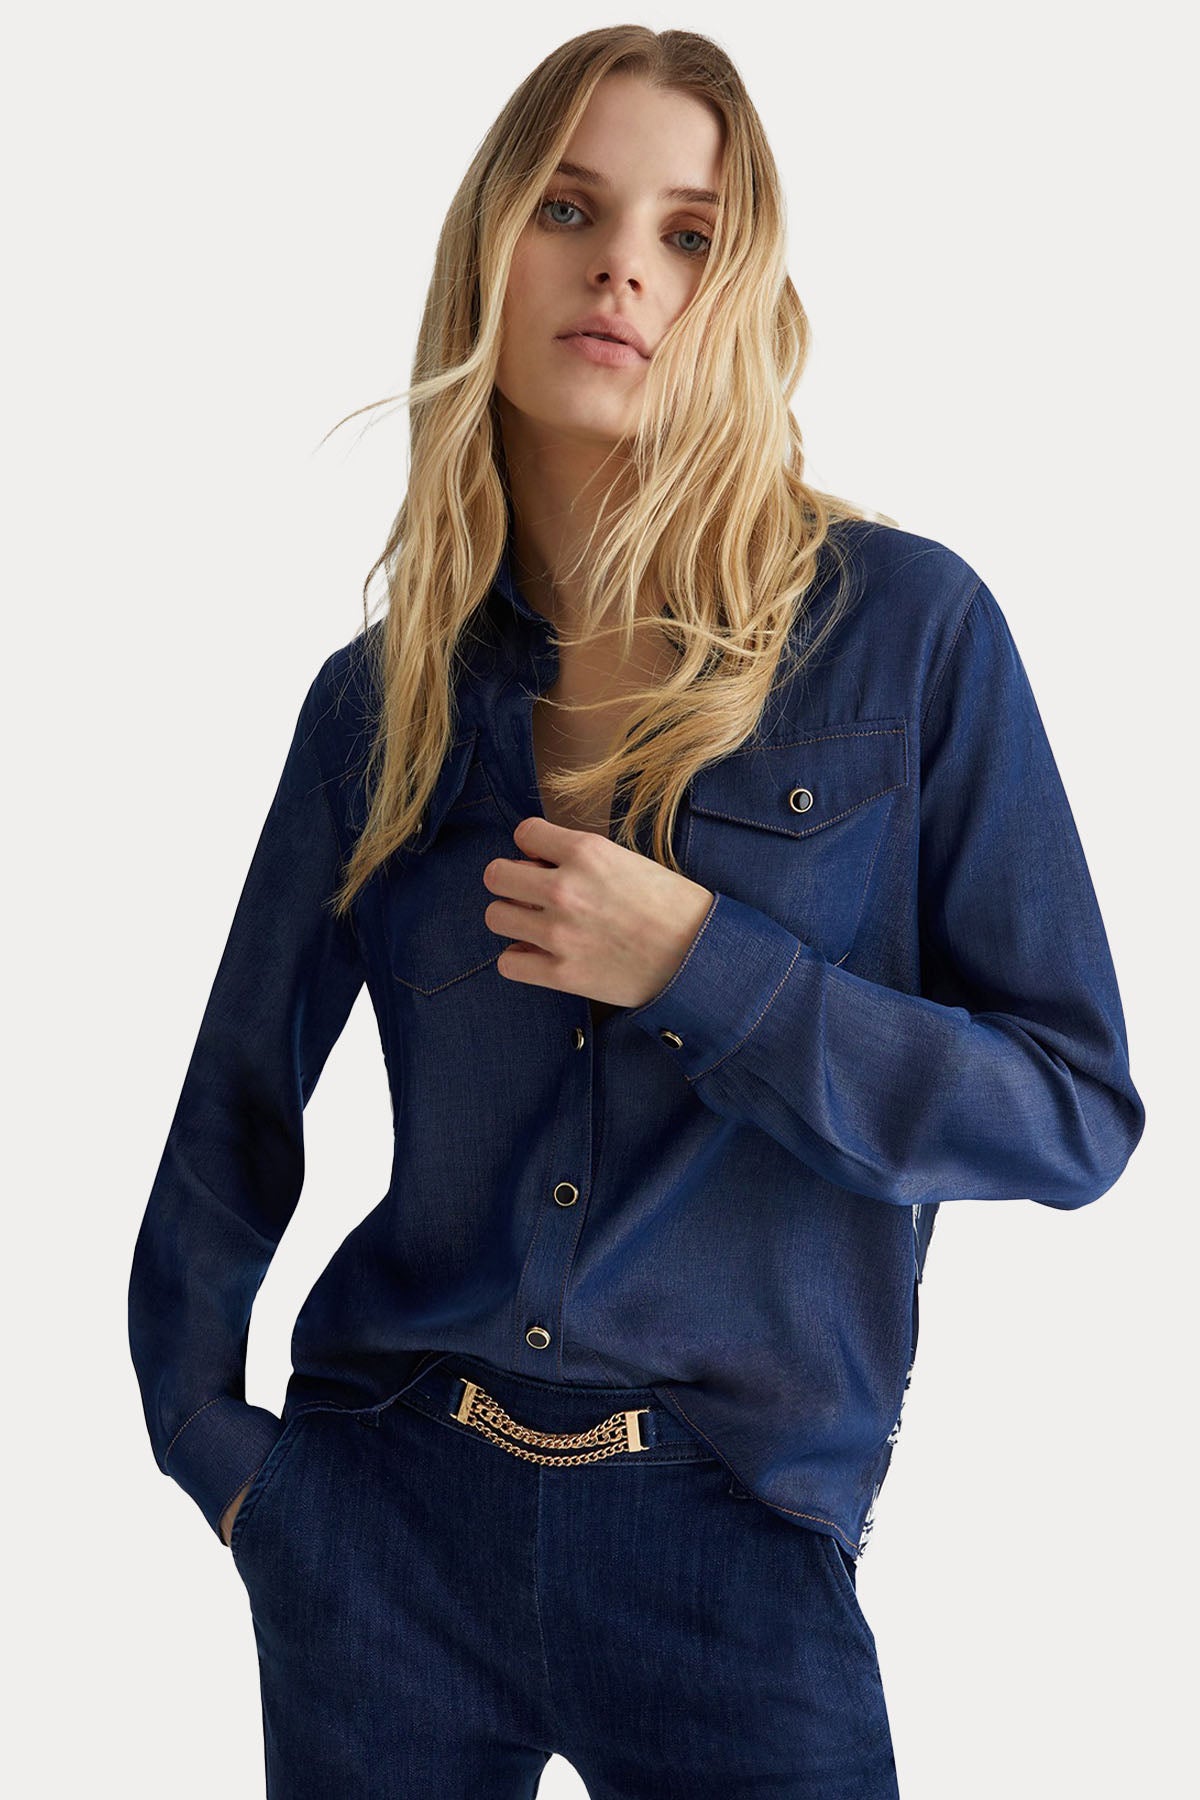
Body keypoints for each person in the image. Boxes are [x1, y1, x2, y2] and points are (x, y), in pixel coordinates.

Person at [127, 25, 1146, 1800]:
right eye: (570, 208)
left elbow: (1071, 1115)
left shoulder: (906, 638)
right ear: (490, 248)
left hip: (734, 1544)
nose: (621, 268)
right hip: (384, 1526)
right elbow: (234, 1107)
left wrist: (705, 968)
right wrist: (222, 1457)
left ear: (738, 290)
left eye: (688, 234)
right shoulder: (381, 703)